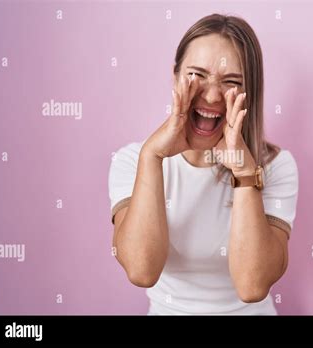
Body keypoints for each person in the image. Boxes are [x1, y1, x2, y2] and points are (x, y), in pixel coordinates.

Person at [108, 13, 299, 315]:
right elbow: (141, 270)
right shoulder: (132, 160)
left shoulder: (276, 166)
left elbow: (252, 286)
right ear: (175, 77)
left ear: (250, 92)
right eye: (196, 75)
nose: (211, 95)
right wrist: (152, 157)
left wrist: (244, 172)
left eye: (231, 82)